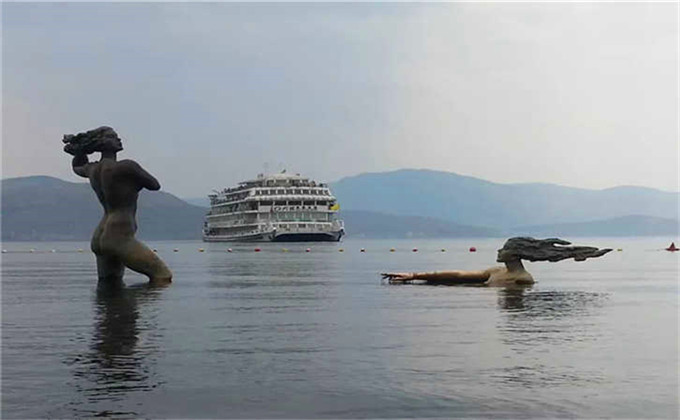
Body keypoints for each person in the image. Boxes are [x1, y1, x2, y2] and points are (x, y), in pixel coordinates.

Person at [65, 126, 172, 285]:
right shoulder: (127, 167)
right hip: (119, 233)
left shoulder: (92, 169)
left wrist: (80, 151)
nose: (118, 139)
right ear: (102, 143)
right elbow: (154, 185)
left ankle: (110, 309)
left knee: (109, 283)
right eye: (112, 136)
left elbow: (76, 167)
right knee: (163, 276)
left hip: (100, 235)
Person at [382, 237, 611, 287]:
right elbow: (460, 275)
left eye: (504, 249)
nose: (499, 251)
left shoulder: (521, 280)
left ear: (514, 254)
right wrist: (414, 276)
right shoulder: (497, 271)